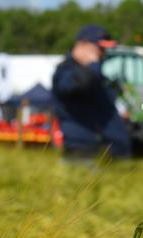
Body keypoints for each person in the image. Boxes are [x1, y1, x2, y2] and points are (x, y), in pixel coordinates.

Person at [52, 25, 131, 159]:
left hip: (109, 154)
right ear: (82, 45)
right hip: (84, 154)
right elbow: (78, 85)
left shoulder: (95, 74)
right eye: (99, 48)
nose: (102, 53)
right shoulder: (65, 71)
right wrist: (92, 63)